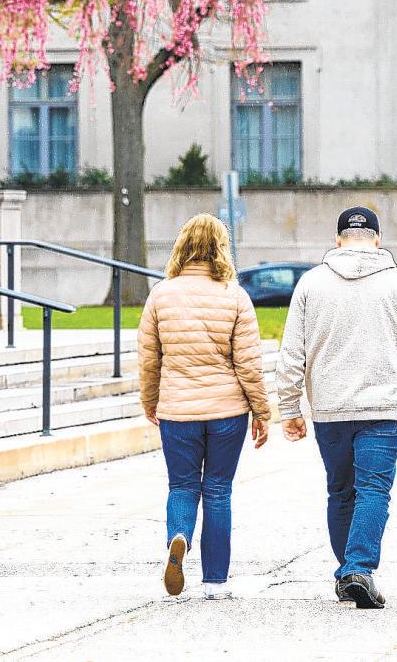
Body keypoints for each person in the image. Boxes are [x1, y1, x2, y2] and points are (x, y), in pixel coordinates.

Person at [275, 206, 397, 610]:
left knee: (340, 491)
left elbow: (291, 354)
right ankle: (358, 569)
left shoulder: (311, 284)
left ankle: (348, 573)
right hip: (384, 408)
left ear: (338, 239)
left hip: (330, 409)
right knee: (373, 490)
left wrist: (290, 407)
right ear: (378, 239)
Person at [137, 213, 271, 599]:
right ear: (221, 248)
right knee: (217, 490)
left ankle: (179, 535)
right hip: (227, 411)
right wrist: (262, 411)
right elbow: (248, 363)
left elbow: (149, 359)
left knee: (182, 485)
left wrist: (151, 400)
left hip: (178, 409)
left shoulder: (161, 295)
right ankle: (215, 582)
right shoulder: (235, 296)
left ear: (182, 246)